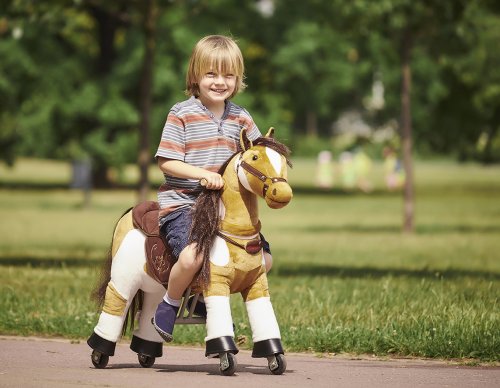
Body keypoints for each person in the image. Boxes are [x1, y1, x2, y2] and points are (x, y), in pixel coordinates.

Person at [152, 35, 272, 343]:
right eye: (211, 74)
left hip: (226, 210)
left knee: (264, 259)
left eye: (228, 75)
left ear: (238, 78)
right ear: (195, 75)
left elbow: (255, 156)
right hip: (184, 205)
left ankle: (212, 301)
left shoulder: (241, 117)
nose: (220, 82)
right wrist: (203, 175)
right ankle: (170, 302)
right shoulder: (182, 113)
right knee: (193, 256)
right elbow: (167, 162)